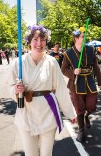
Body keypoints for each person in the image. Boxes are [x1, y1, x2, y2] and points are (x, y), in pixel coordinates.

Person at [10, 25, 77, 156]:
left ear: (47, 41)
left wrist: (70, 112)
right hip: (26, 114)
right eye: (35, 39)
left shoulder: (52, 62)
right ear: (29, 41)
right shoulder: (18, 62)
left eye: (42, 40)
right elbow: (11, 86)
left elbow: (61, 89)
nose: (39, 43)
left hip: (47, 114)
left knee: (47, 154)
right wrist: (15, 90)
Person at [61, 27, 101, 143]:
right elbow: (64, 69)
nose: (84, 38)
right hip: (76, 83)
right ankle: (81, 131)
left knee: (92, 105)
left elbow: (95, 66)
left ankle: (87, 116)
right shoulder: (68, 53)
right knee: (79, 108)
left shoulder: (90, 50)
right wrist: (73, 73)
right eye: (82, 36)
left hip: (89, 81)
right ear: (76, 38)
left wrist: (100, 81)